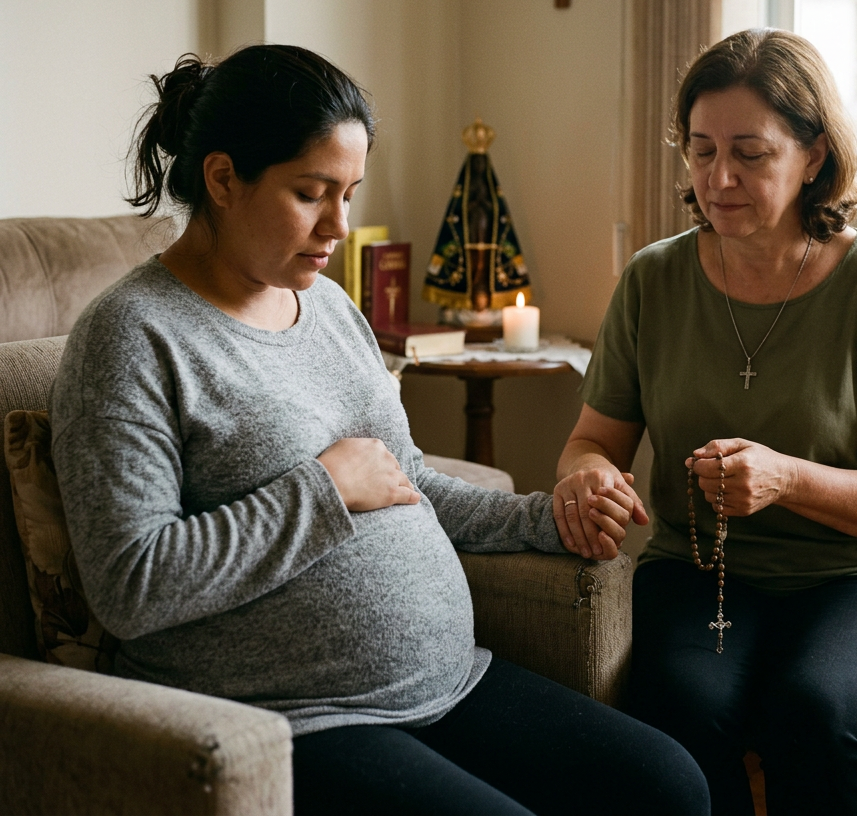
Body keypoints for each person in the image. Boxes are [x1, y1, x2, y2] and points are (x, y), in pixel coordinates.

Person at [48, 44, 709, 816]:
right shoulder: (131, 337)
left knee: (669, 786)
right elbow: (132, 582)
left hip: (448, 683)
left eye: (350, 193)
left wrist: (549, 517)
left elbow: (408, 482)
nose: (338, 226)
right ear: (222, 179)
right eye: (310, 193)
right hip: (289, 718)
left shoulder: (327, 306)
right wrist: (324, 491)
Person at [556, 29, 857, 815]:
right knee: (676, 711)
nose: (720, 178)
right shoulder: (653, 280)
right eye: (701, 151)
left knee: (817, 709)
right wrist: (588, 479)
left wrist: (787, 479)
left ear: (813, 156)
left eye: (750, 152)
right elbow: (592, 442)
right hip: (699, 571)